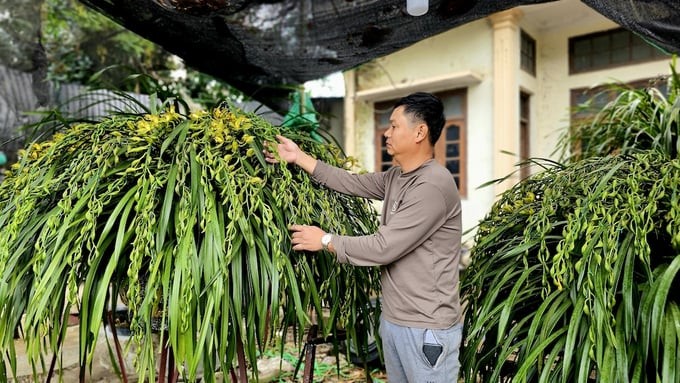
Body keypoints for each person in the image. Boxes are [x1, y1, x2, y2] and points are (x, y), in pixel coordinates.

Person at [265, 92, 463, 382]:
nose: (387, 132)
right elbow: (351, 182)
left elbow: (384, 248)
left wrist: (324, 240)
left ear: (420, 132)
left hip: (426, 329)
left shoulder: (432, 185)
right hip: (396, 321)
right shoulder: (398, 177)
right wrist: (298, 157)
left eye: (394, 125)